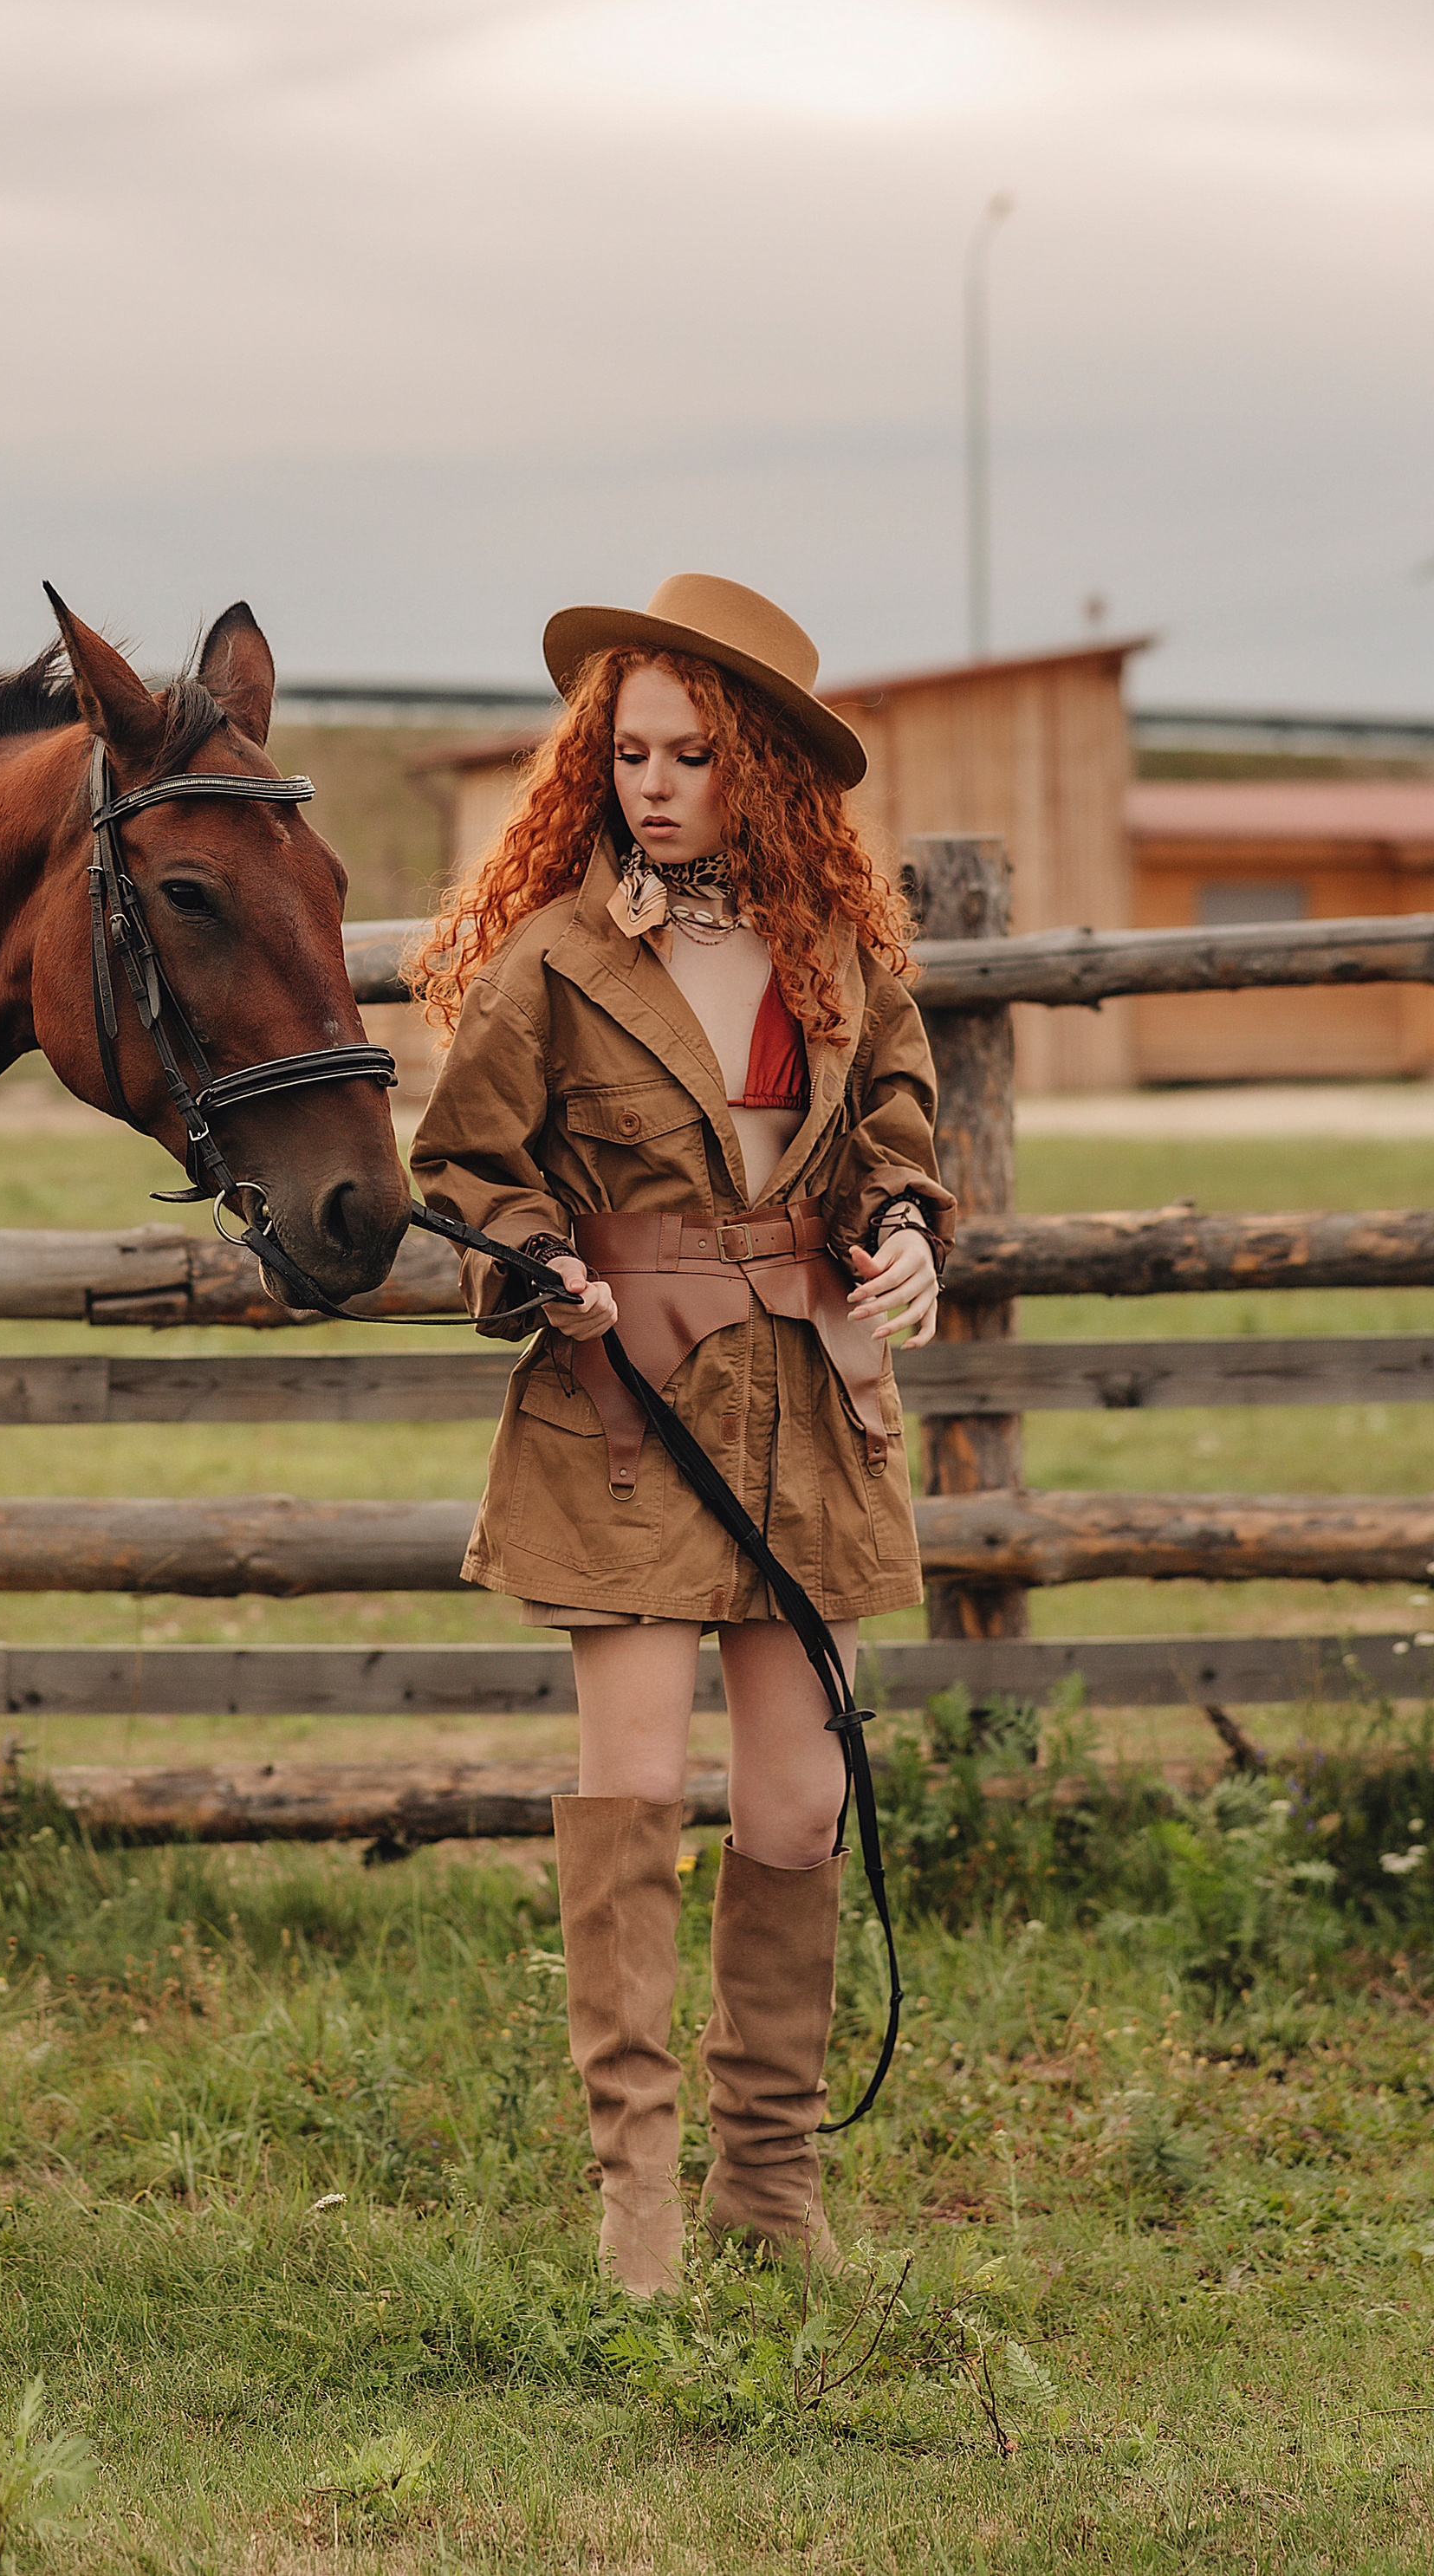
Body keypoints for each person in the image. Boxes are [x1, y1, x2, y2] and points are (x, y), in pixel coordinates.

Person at [409, 574, 952, 2294]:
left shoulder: (835, 952)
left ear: (761, 769)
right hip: (625, 1402)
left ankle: (768, 2191)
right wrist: (541, 1262)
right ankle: (634, 2203)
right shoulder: (553, 956)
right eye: (627, 750)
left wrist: (912, 1228)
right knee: (633, 1789)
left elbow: (892, 1122)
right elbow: (464, 1170)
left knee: (793, 1806)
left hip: (809, 1396)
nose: (652, 782)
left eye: (689, 753)